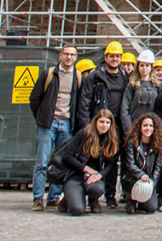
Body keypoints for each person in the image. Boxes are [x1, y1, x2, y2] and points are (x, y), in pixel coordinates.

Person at [76, 41, 129, 208]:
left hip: (116, 127)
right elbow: (84, 102)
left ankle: (110, 196)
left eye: (117, 56)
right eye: (112, 56)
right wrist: (87, 127)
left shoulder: (125, 77)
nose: (115, 59)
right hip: (97, 126)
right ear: (105, 57)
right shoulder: (95, 76)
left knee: (112, 161)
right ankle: (93, 198)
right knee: (93, 160)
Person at [29, 44, 80, 211]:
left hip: (66, 124)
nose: (69, 57)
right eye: (66, 54)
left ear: (76, 57)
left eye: (72, 54)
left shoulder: (78, 77)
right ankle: (38, 198)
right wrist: (42, 117)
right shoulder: (49, 74)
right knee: (41, 163)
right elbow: (35, 99)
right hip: (48, 124)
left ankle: (53, 197)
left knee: (61, 162)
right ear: (60, 55)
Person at [55, 109, 120, 216]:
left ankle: (93, 200)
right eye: (101, 122)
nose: (104, 125)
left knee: (97, 189)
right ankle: (68, 198)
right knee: (77, 210)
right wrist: (86, 168)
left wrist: (100, 175)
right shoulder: (83, 134)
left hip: (93, 177)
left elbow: (111, 164)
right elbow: (67, 157)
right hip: (75, 175)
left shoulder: (111, 139)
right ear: (95, 122)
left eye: (107, 122)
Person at [121, 112, 162, 214]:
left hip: (149, 181)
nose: (148, 128)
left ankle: (142, 202)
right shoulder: (132, 142)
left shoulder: (158, 144)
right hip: (133, 179)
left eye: (151, 126)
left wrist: (152, 184)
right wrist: (141, 175)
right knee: (131, 211)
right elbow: (130, 165)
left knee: (151, 208)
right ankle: (131, 200)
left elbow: (157, 168)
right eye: (145, 125)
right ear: (140, 127)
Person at [120, 49, 162, 133]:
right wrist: (129, 130)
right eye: (142, 65)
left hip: (152, 129)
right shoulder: (132, 85)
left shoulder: (159, 85)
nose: (144, 68)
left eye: (147, 65)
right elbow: (124, 109)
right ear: (138, 67)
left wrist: (158, 129)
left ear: (151, 67)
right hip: (134, 128)